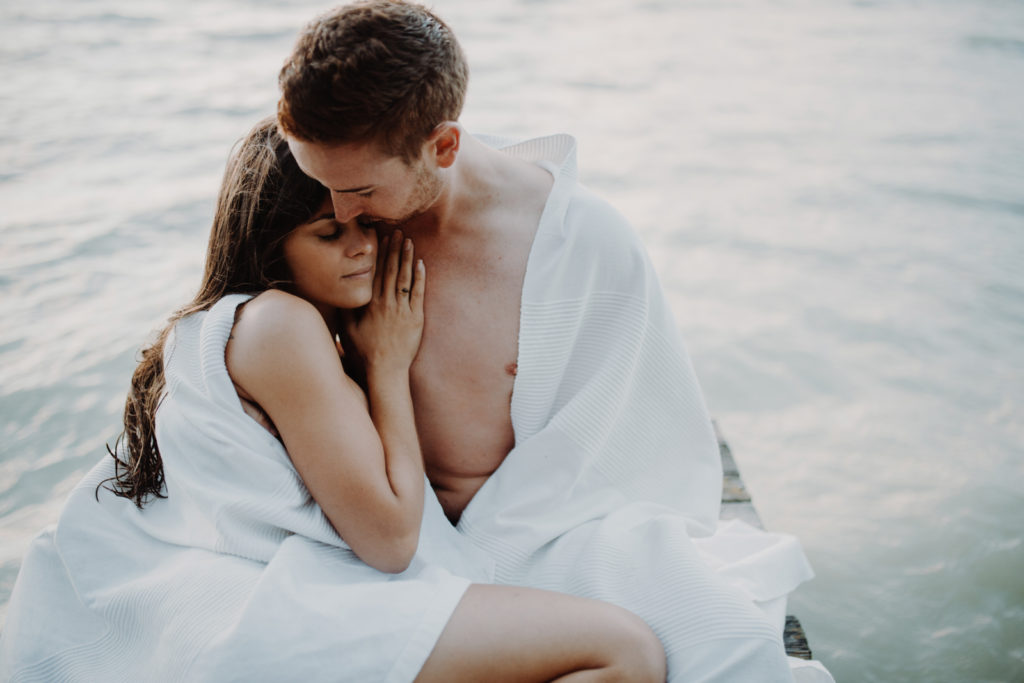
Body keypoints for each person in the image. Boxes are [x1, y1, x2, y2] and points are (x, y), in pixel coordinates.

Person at [0, 118, 668, 682]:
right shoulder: (279, 326)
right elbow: (390, 541)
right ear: (272, 246)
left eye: (368, 224)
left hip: (263, 601)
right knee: (627, 650)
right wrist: (388, 366)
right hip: (281, 616)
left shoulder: (252, 323)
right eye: (329, 233)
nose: (362, 246)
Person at [277, 2, 831, 682]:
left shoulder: (579, 244)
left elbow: (642, 448)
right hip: (374, 531)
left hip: (553, 530)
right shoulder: (334, 228)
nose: (336, 212)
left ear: (443, 146)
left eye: (358, 189)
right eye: (321, 186)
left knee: (730, 645)